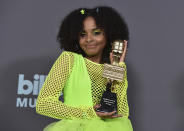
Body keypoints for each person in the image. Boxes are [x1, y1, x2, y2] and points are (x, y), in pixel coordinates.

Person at [36, 6, 133, 131]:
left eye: (96, 32)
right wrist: (87, 113)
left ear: (108, 35)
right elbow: (44, 104)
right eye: (82, 34)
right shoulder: (69, 59)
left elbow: (121, 113)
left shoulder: (110, 67)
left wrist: (117, 67)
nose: (89, 39)